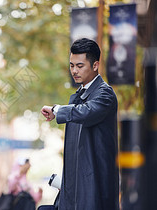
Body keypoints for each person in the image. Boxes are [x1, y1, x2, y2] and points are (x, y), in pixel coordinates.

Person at [41, 38, 119, 210]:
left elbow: (86, 112)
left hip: (94, 190)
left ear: (95, 65)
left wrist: (57, 110)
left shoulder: (104, 94)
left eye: (80, 66)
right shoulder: (79, 95)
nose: (74, 71)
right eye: (71, 65)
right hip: (75, 192)